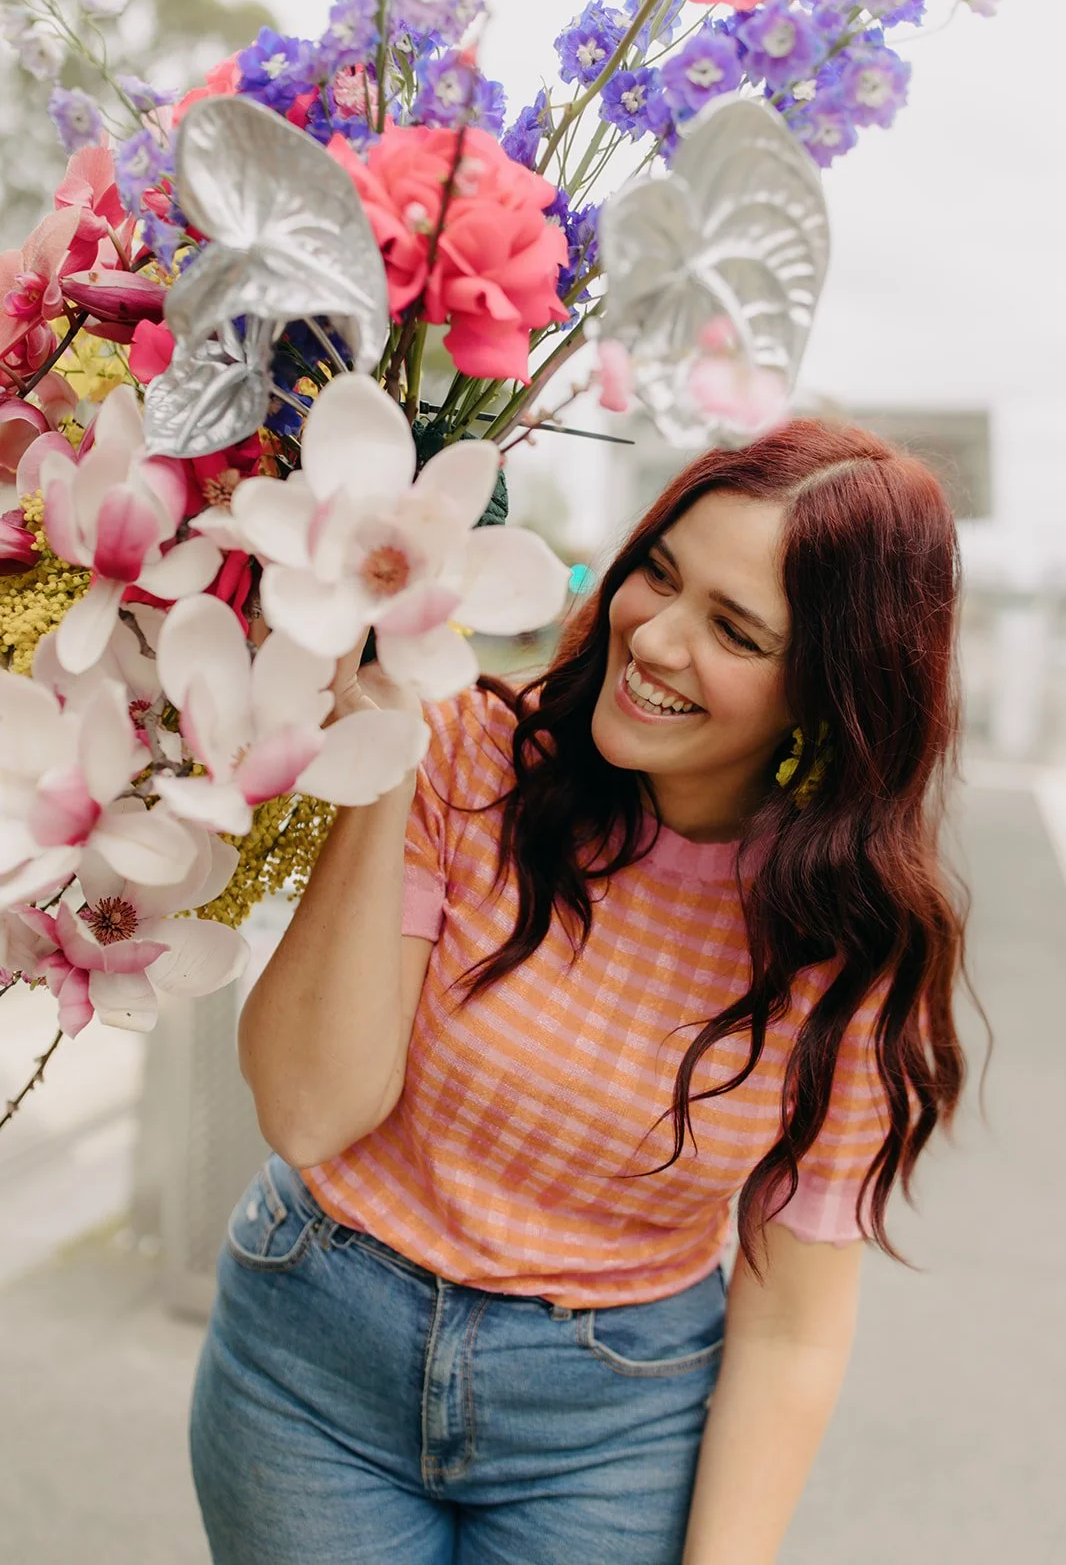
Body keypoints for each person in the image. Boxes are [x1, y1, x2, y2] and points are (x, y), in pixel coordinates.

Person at [189, 418, 982, 1565]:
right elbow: (311, 1110)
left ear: (829, 692)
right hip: (313, 1369)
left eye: (733, 629)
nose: (652, 636)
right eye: (656, 571)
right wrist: (384, 757)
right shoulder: (466, 752)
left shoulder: (846, 948)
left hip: (605, 1430)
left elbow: (793, 1328)